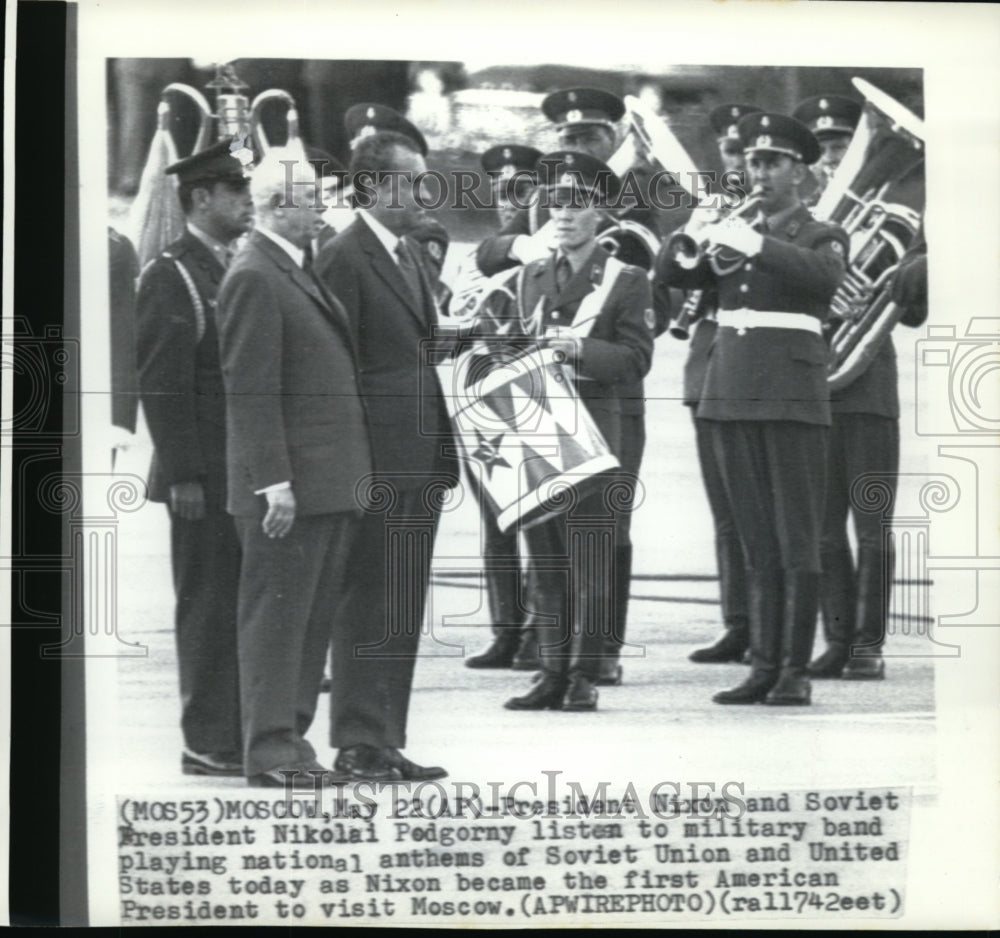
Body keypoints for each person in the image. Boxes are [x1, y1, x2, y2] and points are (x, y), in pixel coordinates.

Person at [658, 113, 849, 706]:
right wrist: (692, 230)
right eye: (755, 162)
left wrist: (757, 243)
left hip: (790, 397)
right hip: (730, 392)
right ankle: (762, 665)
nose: (759, 172)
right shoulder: (734, 226)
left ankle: (793, 670)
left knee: (796, 536)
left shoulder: (820, 233)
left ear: (802, 173)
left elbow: (823, 279)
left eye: (773, 163)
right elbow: (673, 274)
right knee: (754, 538)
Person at [215, 149, 374, 788]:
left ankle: (293, 745)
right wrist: (272, 481)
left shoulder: (289, 267)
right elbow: (250, 389)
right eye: (313, 199)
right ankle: (272, 751)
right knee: (277, 623)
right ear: (281, 206)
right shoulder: (255, 274)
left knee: (307, 625)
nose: (322, 210)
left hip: (324, 485)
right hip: (289, 492)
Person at [315, 130, 454, 782]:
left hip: (419, 459)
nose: (423, 192)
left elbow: (408, 349)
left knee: (400, 603)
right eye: (410, 180)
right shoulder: (345, 256)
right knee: (369, 602)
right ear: (371, 186)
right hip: (377, 463)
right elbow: (337, 368)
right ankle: (357, 742)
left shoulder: (405, 254)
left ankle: (386, 739)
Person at [495, 151, 654, 711]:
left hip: (594, 429)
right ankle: (550, 668)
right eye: (555, 202)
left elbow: (636, 357)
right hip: (541, 427)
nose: (563, 213)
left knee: (590, 553)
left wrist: (580, 347)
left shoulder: (623, 279)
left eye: (577, 203)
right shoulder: (530, 276)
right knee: (545, 554)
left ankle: (584, 671)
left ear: (600, 212)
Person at [135, 139, 253, 776]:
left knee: (237, 601)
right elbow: (163, 384)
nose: (248, 204)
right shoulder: (172, 274)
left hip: (239, 471)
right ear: (200, 198)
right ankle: (206, 739)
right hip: (200, 477)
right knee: (208, 605)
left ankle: (234, 729)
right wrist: (182, 474)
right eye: (236, 193)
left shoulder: (232, 263)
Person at [807, 220, 928, 681]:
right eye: (831, 147)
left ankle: (867, 644)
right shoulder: (803, 220)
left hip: (869, 390)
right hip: (811, 384)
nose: (838, 158)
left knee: (872, 526)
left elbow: (914, 310)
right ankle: (837, 640)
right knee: (823, 528)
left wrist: (888, 286)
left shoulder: (884, 224)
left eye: (842, 145)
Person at [680, 104, 761, 665]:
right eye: (729, 153)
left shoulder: (771, 217)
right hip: (707, 367)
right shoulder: (712, 211)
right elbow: (675, 284)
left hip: (755, 369)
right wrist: (693, 235)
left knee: (761, 509)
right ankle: (738, 622)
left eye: (745, 154)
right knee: (726, 509)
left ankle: (769, 624)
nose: (735, 163)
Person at [462, 144, 543, 672]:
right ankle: (504, 629)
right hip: (486, 392)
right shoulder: (481, 253)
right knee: (495, 523)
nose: (508, 203)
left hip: (534, 393)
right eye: (501, 192)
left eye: (520, 193)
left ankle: (539, 628)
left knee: (537, 519)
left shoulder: (546, 251)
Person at [792, 94, 862, 204]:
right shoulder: (804, 213)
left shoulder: (885, 203)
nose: (828, 159)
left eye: (838, 147)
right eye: (820, 151)